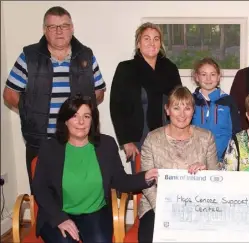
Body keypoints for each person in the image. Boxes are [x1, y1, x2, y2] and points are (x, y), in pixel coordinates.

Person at [2, 6, 106, 188]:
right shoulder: (29, 56)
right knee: (43, 194)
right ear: (44, 30)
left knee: (78, 190)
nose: (59, 31)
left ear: (72, 28)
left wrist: (81, 114)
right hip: (41, 141)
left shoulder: (87, 56)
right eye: (53, 27)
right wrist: (30, 111)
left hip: (78, 141)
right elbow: (9, 94)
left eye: (64, 26)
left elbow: (99, 92)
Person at [32, 94, 158, 243]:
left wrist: (145, 177)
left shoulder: (106, 145)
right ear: (65, 120)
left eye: (86, 116)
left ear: (92, 121)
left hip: (95, 213)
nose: (80, 122)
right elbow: (39, 188)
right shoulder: (50, 148)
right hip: (58, 212)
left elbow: (120, 180)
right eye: (74, 116)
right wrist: (60, 219)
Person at [138, 86, 219, 243]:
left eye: (187, 108)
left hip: (198, 205)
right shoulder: (152, 139)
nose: (182, 114)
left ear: (193, 111)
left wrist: (206, 171)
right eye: (176, 108)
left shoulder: (206, 138)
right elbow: (147, 182)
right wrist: (162, 208)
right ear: (167, 110)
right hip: (157, 205)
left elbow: (217, 176)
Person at [110, 22, 182, 173]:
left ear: (160, 43)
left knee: (168, 181)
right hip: (138, 138)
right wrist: (126, 141)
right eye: (147, 38)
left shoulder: (170, 68)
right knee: (144, 183)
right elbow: (116, 107)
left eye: (156, 39)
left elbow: (179, 102)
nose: (152, 43)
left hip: (168, 136)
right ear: (138, 43)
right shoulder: (126, 69)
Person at [191, 57, 241, 162]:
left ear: (218, 77)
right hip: (195, 160)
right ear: (197, 77)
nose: (208, 79)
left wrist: (229, 154)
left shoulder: (228, 101)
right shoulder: (190, 101)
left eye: (213, 74)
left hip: (224, 159)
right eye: (204, 74)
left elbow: (236, 131)